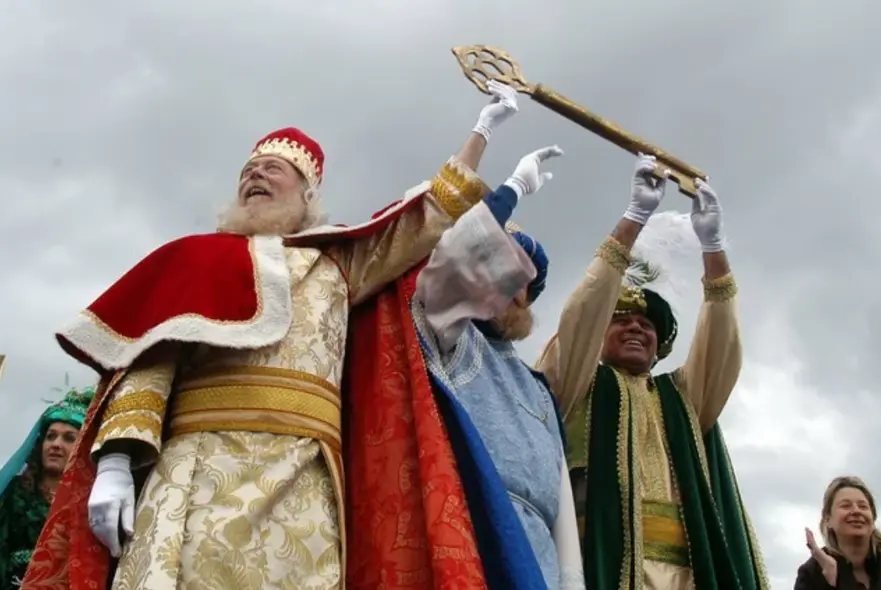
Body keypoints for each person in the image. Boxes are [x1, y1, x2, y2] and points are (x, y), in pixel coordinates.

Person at [22, 81, 525, 590]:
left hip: (307, 484)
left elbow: (422, 220)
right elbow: (149, 360)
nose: (254, 175)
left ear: (308, 194)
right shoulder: (196, 259)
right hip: (198, 473)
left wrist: (481, 132)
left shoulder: (339, 264)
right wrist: (114, 462)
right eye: (247, 171)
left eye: (272, 169)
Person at [535, 156, 768, 589]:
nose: (637, 327)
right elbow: (581, 318)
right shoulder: (575, 384)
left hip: (689, 575)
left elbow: (721, 350)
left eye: (647, 325)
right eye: (621, 320)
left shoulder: (680, 398)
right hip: (594, 567)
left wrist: (713, 248)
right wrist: (634, 218)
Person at [411, 143, 586, 589]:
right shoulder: (450, 336)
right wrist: (511, 190)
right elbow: (451, 260)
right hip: (468, 535)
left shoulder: (538, 389)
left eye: (520, 283)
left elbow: (562, 509)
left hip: (538, 562)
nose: (507, 288)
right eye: (496, 271)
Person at [0, 385, 92, 589]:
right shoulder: (14, 492)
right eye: (51, 436)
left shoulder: (91, 502)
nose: (56, 444)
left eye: (69, 438)